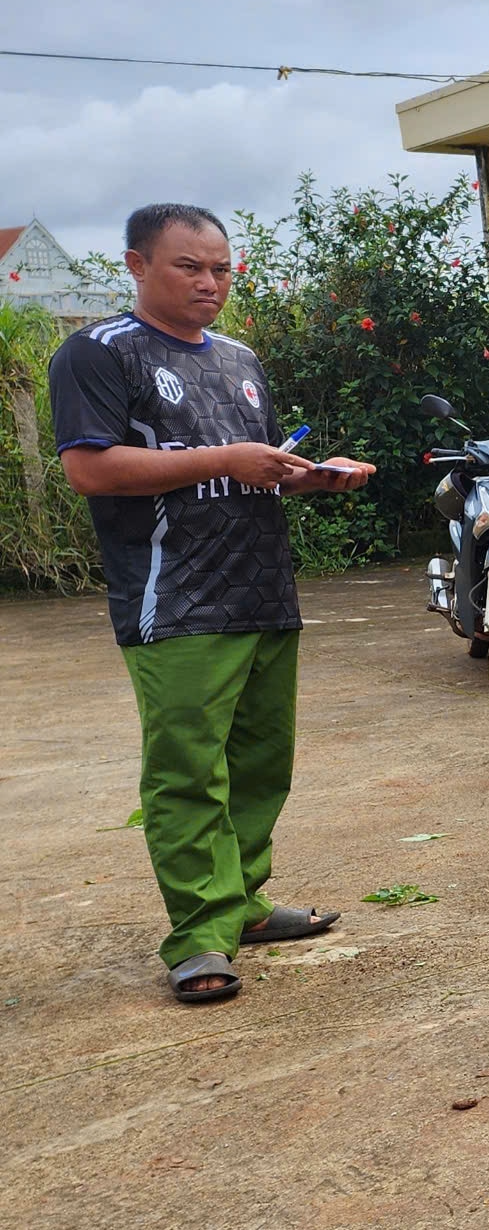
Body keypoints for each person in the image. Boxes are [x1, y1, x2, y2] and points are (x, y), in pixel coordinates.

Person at [48, 203, 378, 1003]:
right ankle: (199, 937)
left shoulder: (239, 356)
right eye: (188, 266)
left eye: (221, 268)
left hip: (263, 589)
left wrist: (305, 477)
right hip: (175, 596)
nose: (209, 282)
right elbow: (90, 470)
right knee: (188, 773)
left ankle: (244, 905)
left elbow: (247, 469)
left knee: (262, 765)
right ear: (136, 264)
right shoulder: (97, 353)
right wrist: (224, 456)